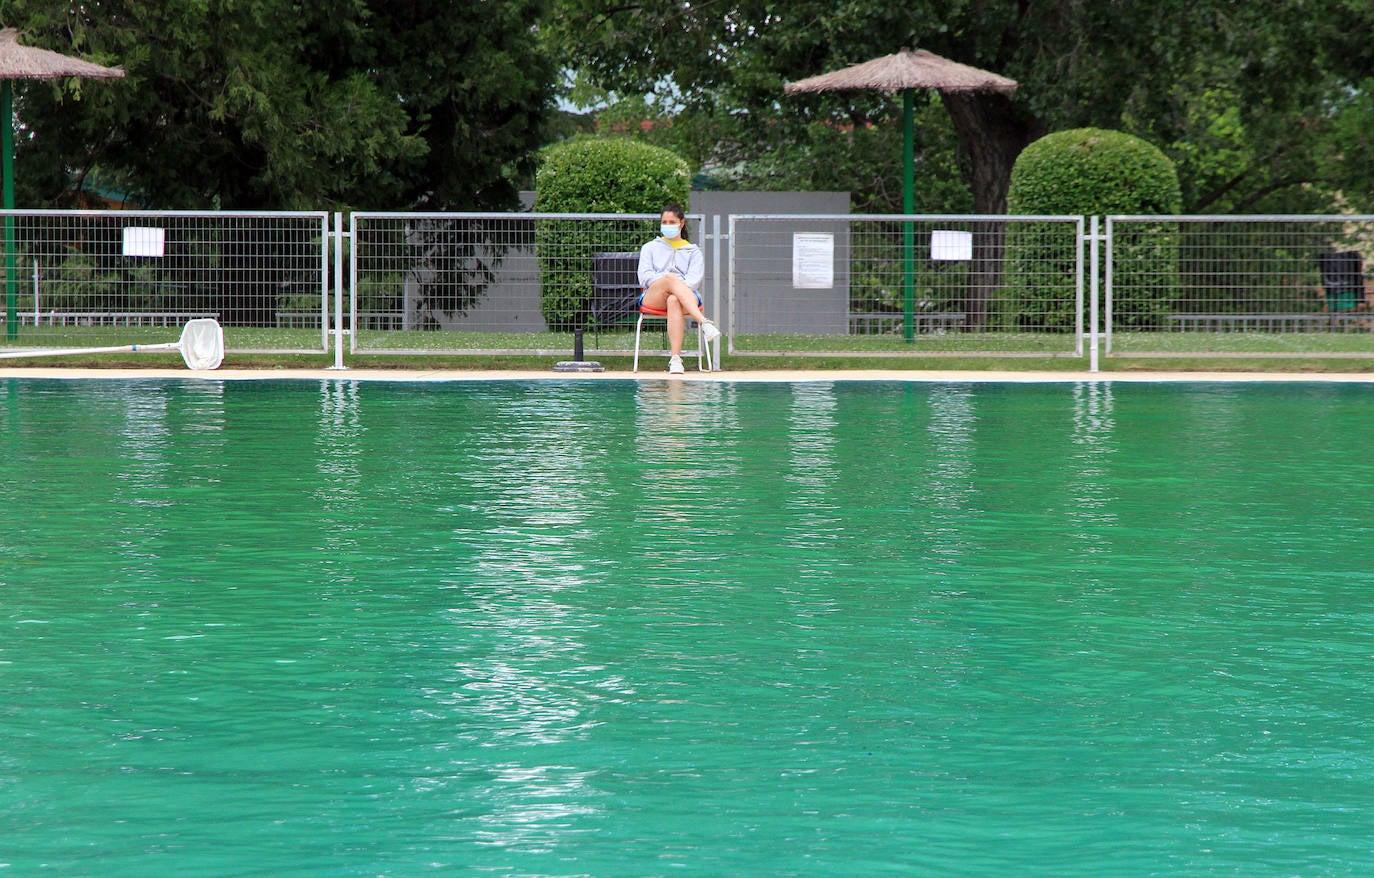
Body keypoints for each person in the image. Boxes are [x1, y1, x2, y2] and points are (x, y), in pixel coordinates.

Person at [637, 204, 722, 374]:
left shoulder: (693, 251)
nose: (667, 225)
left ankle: (676, 359)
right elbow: (644, 277)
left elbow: (694, 281)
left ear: (681, 223)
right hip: (654, 295)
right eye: (664, 222)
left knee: (674, 299)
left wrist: (675, 288)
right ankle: (703, 322)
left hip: (685, 298)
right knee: (670, 278)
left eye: (672, 222)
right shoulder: (649, 247)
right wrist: (668, 282)